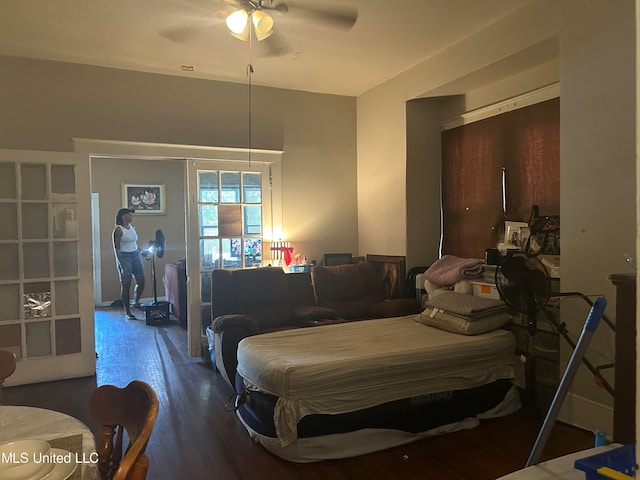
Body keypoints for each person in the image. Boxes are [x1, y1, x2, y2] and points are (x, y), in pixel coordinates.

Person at [113, 208, 145, 320]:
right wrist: (122, 265)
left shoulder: (132, 228)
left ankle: (136, 302)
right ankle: (127, 311)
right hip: (124, 257)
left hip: (135, 255)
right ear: (123, 216)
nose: (131, 216)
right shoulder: (118, 230)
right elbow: (117, 249)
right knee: (126, 285)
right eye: (129, 214)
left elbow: (133, 243)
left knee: (141, 281)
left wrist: (141, 251)